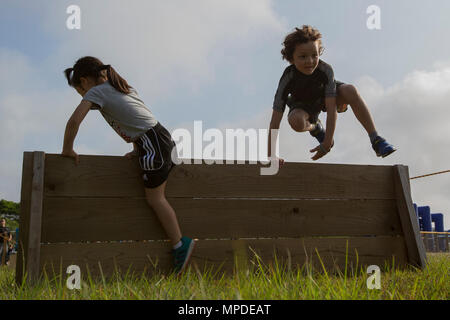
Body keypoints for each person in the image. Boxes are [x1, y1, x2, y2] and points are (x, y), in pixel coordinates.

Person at [62, 56, 194, 275]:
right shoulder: (122, 88)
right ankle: (178, 243)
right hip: (160, 140)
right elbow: (138, 118)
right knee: (153, 196)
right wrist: (137, 150)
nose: (82, 96)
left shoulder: (96, 92)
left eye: (79, 91)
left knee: (155, 198)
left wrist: (67, 149)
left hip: (154, 145)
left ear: (84, 81)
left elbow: (74, 121)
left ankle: (181, 244)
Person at [268, 25, 396, 163]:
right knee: (296, 122)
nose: (310, 61)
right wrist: (272, 155)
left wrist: (327, 143)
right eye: (303, 56)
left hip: (326, 97)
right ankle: (315, 127)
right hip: (303, 105)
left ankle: (376, 139)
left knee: (350, 90)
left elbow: (331, 109)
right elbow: (275, 120)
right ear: (291, 58)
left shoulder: (325, 70)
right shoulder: (288, 77)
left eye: (314, 55)